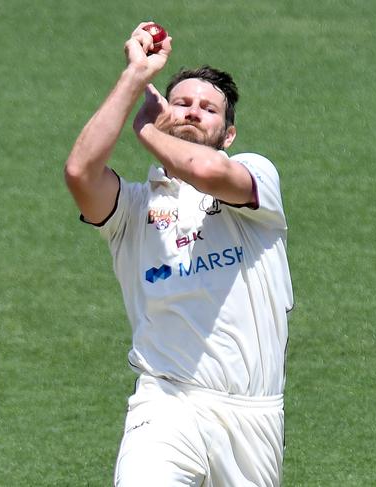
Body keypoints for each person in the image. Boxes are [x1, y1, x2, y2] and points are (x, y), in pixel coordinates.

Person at [64, 22, 293, 486]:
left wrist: (147, 129)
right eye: (183, 102)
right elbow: (80, 172)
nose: (192, 113)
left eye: (208, 109)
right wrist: (134, 77)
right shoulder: (133, 208)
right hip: (165, 403)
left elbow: (204, 170)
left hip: (251, 417)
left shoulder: (255, 177)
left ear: (228, 134)